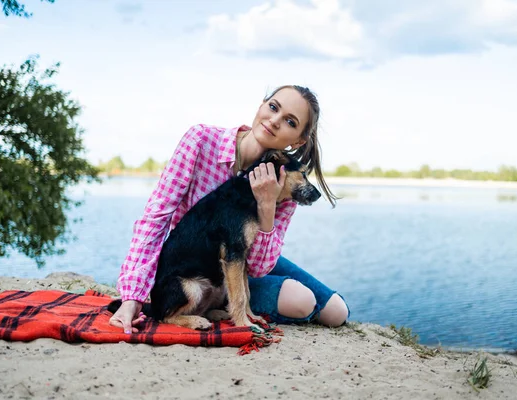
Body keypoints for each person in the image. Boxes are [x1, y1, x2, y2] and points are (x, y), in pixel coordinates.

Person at [109, 85, 350, 334]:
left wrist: (267, 204)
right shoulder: (201, 140)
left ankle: (228, 304)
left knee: (336, 312)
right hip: (198, 263)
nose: (275, 121)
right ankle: (218, 307)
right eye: (273, 107)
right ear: (261, 104)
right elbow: (155, 217)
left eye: (290, 121)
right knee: (302, 301)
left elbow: (258, 267)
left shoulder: (284, 180)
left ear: (298, 140)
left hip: (249, 261)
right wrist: (132, 297)